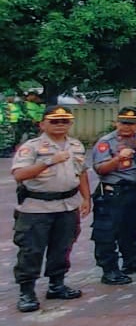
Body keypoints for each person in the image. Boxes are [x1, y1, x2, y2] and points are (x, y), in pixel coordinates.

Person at [11, 106, 90, 312]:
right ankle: (27, 292)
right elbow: (20, 175)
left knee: (63, 247)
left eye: (64, 121)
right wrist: (48, 162)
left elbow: (81, 173)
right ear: (42, 124)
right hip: (36, 207)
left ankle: (57, 284)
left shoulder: (75, 145)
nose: (60, 125)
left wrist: (86, 198)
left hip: (67, 205)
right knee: (31, 250)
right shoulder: (32, 147)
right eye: (54, 121)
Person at [88, 106, 136, 284]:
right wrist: (118, 159)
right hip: (113, 191)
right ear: (117, 122)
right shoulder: (106, 142)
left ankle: (131, 260)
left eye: (132, 123)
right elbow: (100, 168)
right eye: (123, 122)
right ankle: (109, 269)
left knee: (130, 228)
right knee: (106, 232)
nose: (126, 127)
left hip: (135, 190)